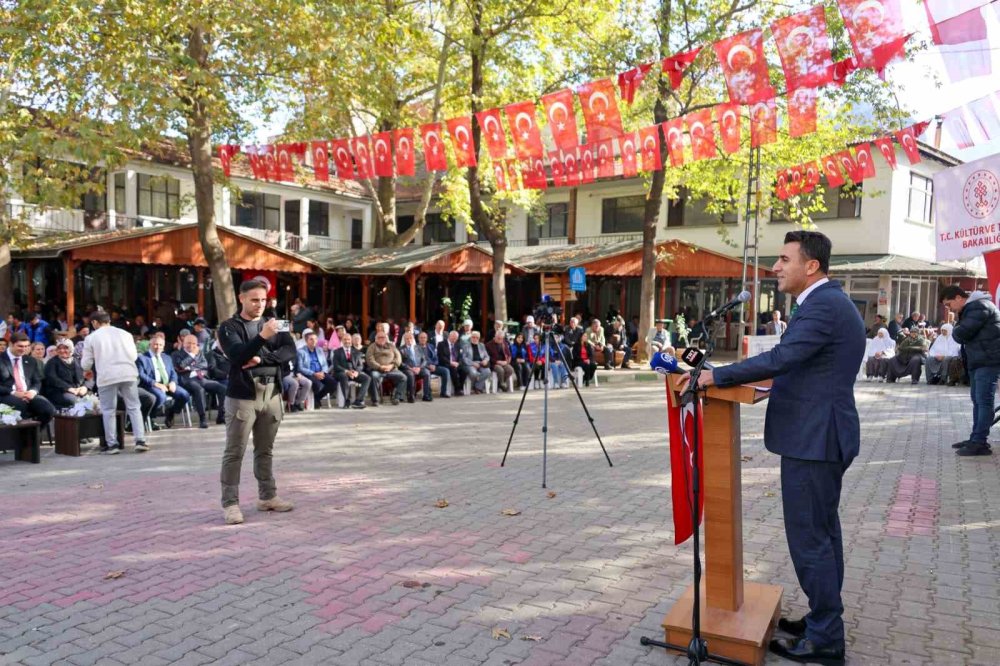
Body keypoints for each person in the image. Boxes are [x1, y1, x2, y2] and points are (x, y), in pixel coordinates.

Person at [688, 231, 861, 665]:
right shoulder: (824, 303)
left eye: (784, 259)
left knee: (810, 541)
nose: (775, 268)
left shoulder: (823, 305)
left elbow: (784, 356)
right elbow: (802, 364)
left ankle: (825, 640)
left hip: (816, 439)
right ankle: (824, 620)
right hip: (818, 434)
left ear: (812, 266)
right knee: (822, 536)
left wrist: (719, 376)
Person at [217, 279, 297, 525]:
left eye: (263, 300)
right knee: (235, 452)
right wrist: (263, 336)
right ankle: (230, 504)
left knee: (266, 450)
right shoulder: (228, 327)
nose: (260, 304)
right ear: (241, 298)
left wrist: (262, 360)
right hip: (242, 395)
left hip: (272, 393)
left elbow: (290, 351)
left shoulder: (276, 322)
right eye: (254, 299)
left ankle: (267, 496)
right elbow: (238, 355)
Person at [941, 285, 1000, 456]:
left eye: (949, 304)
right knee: (978, 400)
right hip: (979, 361)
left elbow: (961, 334)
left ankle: (980, 442)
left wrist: (957, 328)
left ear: (959, 298)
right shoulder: (973, 308)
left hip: (987, 361)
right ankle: (976, 437)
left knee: (984, 401)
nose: (949, 309)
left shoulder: (979, 306)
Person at [80, 313, 146, 454]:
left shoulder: (91, 338)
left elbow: (86, 363)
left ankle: (113, 445)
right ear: (109, 321)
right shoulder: (126, 334)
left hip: (106, 376)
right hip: (128, 373)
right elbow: (134, 356)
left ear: (95, 323)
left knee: (108, 410)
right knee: (134, 407)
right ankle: (140, 440)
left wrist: (87, 369)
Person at [0, 333, 56, 429]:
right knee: (20, 405)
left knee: (48, 410)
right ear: (11, 344)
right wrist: (13, 392)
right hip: (6, 395)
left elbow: (37, 381)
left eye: (26, 346)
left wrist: (32, 391)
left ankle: (33, 436)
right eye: (20, 346)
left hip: (28, 394)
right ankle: (21, 438)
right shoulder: (1, 359)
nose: (24, 349)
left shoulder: (30, 360)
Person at [172, 334, 227, 427]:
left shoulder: (200, 352)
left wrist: (190, 367)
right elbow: (180, 366)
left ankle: (221, 415)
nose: (191, 345)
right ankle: (202, 418)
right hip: (186, 380)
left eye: (194, 343)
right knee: (199, 389)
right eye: (188, 343)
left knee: (222, 388)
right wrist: (193, 355)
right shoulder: (176, 354)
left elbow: (204, 365)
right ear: (183, 343)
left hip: (201, 378)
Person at [137, 334, 190, 428]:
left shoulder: (167, 357)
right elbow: (141, 375)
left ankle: (171, 412)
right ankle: (150, 418)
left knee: (184, 395)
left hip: (167, 384)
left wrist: (173, 382)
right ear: (150, 345)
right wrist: (155, 384)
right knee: (161, 397)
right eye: (155, 344)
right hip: (152, 385)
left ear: (163, 347)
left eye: (160, 345)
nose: (158, 347)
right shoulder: (142, 358)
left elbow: (173, 372)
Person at [42, 339, 88, 409]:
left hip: (76, 390)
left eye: (65, 348)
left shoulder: (76, 361)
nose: (62, 350)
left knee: (90, 400)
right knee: (74, 401)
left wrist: (83, 387)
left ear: (71, 349)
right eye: (59, 348)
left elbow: (81, 378)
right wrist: (69, 388)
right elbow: (52, 379)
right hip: (58, 391)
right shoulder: (52, 362)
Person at [366, 329, 407, 406]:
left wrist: (391, 365)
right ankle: (375, 400)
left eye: (383, 337)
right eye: (379, 337)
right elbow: (369, 359)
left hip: (391, 369)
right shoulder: (372, 347)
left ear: (386, 338)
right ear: (376, 338)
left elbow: (398, 358)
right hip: (377, 370)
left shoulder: (391, 346)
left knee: (403, 377)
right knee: (373, 376)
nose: (382, 339)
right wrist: (380, 367)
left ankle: (397, 397)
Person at [330, 330, 370, 409]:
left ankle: (358, 401)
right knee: (343, 376)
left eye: (348, 339)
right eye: (345, 339)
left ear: (351, 341)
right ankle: (347, 400)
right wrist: (347, 371)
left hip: (353, 373)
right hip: (341, 373)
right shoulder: (337, 352)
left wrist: (356, 372)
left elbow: (360, 365)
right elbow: (336, 366)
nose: (347, 341)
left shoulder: (356, 352)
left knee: (367, 378)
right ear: (342, 341)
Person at [297, 330, 338, 405]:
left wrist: (323, 372)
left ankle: (317, 397)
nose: (314, 341)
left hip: (321, 372)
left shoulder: (319, 350)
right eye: (311, 339)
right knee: (317, 385)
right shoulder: (301, 352)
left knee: (333, 383)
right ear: (306, 341)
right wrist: (314, 373)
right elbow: (300, 368)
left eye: (315, 339)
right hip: (309, 373)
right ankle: (315, 401)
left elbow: (325, 364)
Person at [399, 330, 431, 402]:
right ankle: (411, 396)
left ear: (413, 339)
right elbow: (400, 363)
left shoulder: (418, 348)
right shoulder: (401, 349)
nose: (409, 340)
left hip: (418, 368)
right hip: (407, 369)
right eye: (407, 338)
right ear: (404, 340)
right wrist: (410, 368)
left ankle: (426, 395)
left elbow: (424, 360)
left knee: (427, 373)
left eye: (411, 338)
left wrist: (419, 367)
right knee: (410, 374)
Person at [418, 331, 450, 398]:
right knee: (427, 373)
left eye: (424, 337)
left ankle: (443, 392)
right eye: (421, 338)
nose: (423, 339)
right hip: (423, 367)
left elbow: (436, 357)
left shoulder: (431, 346)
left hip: (433, 366)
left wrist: (434, 365)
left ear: (427, 339)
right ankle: (427, 394)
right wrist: (428, 366)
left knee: (445, 371)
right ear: (418, 339)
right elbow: (418, 361)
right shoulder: (416, 348)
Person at [437, 330, 467, 396]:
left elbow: (460, 357)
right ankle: (457, 389)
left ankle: (460, 388)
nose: (454, 339)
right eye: (453, 337)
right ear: (449, 336)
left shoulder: (457, 345)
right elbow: (441, 357)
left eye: (456, 338)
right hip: (446, 363)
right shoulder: (441, 344)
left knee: (464, 371)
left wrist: (458, 363)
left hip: (456, 364)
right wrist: (450, 362)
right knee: (453, 369)